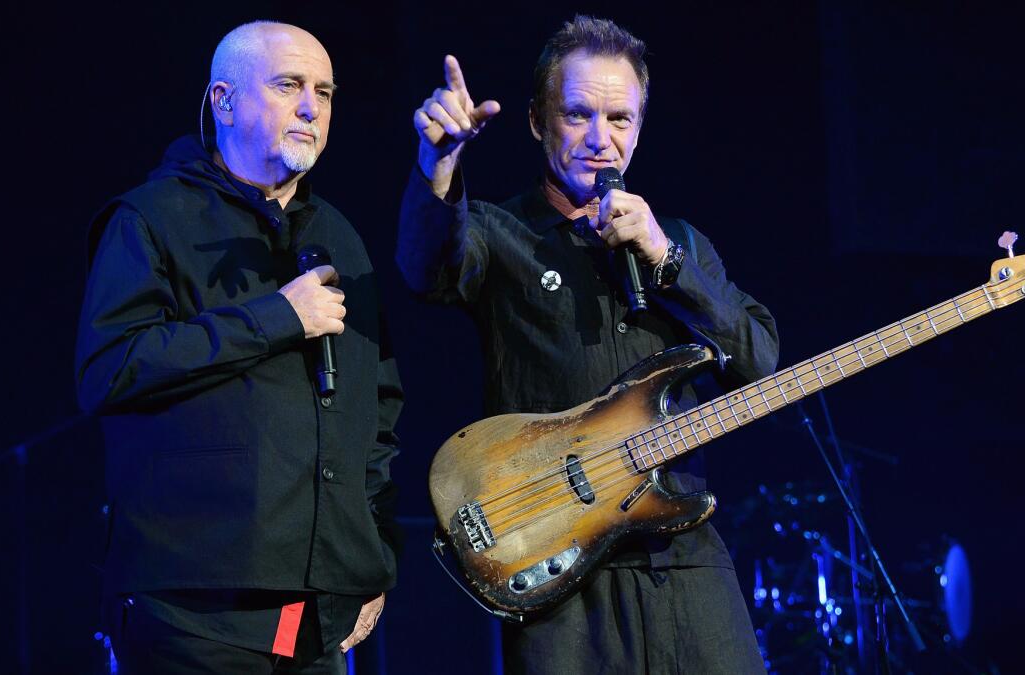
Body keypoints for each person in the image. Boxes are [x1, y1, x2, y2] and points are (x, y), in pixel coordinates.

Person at [398, 14, 779, 675]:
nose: (601, 139)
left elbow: (757, 362)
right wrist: (440, 163)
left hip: (683, 562)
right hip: (561, 575)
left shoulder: (679, 242)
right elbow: (424, 266)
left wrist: (666, 259)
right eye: (578, 116)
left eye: (621, 120)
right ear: (537, 122)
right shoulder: (499, 232)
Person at [75, 21, 400, 673]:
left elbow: (378, 406)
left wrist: (367, 551)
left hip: (318, 620)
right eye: (288, 85)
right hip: (193, 615)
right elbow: (109, 369)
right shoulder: (152, 218)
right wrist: (275, 317)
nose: (312, 106)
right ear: (223, 101)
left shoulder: (338, 234)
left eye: (325, 91)